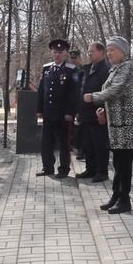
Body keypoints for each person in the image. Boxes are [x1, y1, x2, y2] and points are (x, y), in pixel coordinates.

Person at [83, 36, 133, 214]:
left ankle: (124, 200)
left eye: (112, 50)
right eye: (108, 50)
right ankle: (116, 196)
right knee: (118, 163)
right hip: (117, 124)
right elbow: (114, 96)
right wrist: (104, 111)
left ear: (123, 51)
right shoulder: (116, 69)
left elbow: (115, 90)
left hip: (127, 126)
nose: (109, 53)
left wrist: (93, 97)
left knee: (124, 165)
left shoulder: (127, 68)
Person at [36, 39, 78, 178]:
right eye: (55, 52)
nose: (57, 55)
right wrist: (39, 109)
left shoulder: (71, 70)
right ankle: (47, 168)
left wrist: (70, 112)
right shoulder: (47, 68)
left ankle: (63, 169)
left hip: (63, 114)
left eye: (60, 52)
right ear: (51, 52)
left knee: (64, 144)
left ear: (65, 53)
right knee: (46, 142)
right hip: (48, 113)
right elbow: (42, 90)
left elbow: (74, 94)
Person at [76, 42, 111, 183]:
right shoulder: (88, 68)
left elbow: (107, 93)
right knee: (87, 144)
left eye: (92, 51)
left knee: (100, 145)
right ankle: (90, 169)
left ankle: (102, 172)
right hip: (85, 113)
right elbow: (82, 90)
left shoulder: (106, 70)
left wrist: (103, 113)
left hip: (98, 113)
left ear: (101, 52)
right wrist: (79, 111)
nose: (89, 53)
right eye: (88, 51)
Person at [69, 50, 85, 160]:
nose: (73, 60)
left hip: (81, 102)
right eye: (71, 58)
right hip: (71, 102)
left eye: (75, 58)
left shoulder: (83, 70)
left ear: (79, 58)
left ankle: (81, 150)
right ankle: (73, 147)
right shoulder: (69, 70)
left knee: (81, 128)